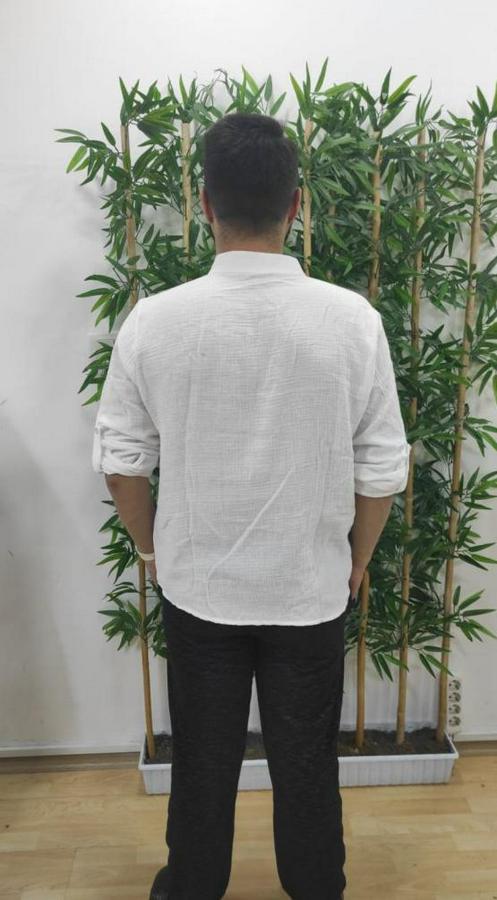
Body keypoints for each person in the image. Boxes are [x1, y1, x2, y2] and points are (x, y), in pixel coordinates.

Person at [92, 112, 411, 900]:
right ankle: (316, 888)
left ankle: (192, 886)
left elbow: (122, 464)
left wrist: (150, 551)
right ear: (295, 204)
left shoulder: (154, 320)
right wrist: (356, 561)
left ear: (204, 204)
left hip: (199, 587)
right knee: (307, 765)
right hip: (309, 588)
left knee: (201, 763)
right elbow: (380, 468)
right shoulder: (351, 321)